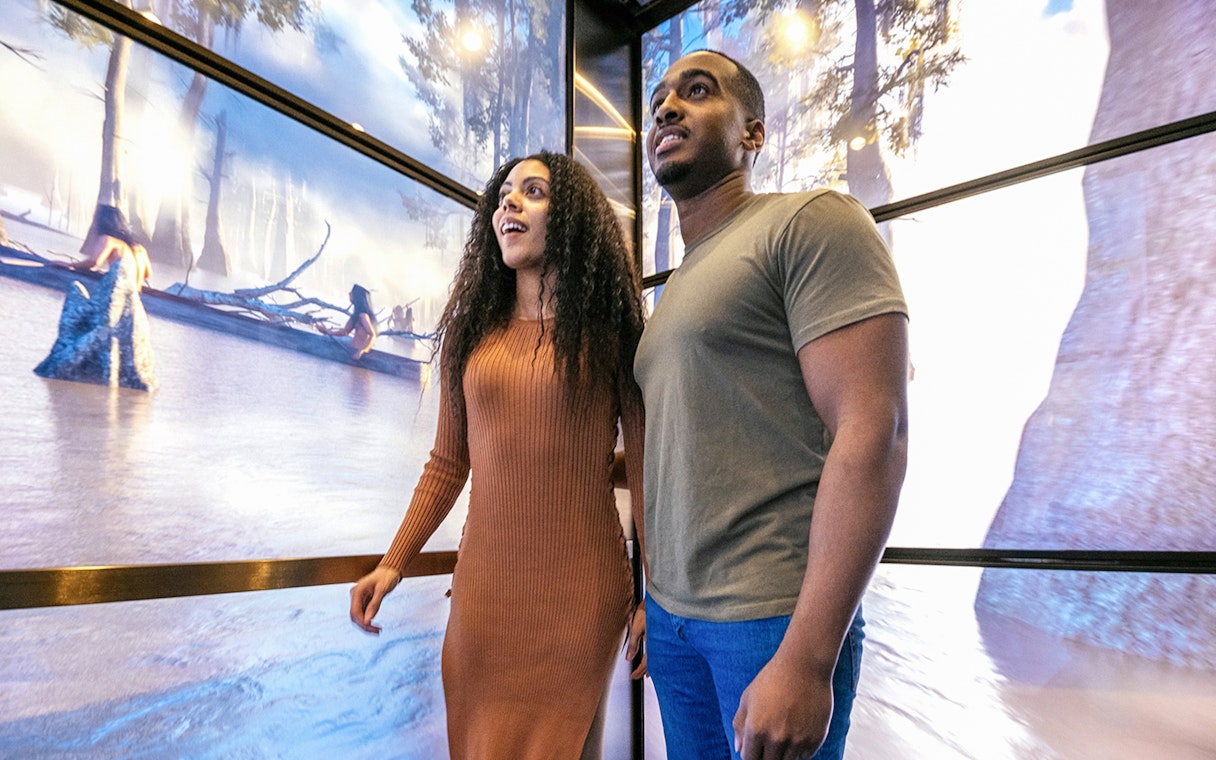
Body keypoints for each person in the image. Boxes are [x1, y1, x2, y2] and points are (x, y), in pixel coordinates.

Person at [634, 50, 910, 760]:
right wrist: (650, 597)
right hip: (673, 624)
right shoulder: (676, 293)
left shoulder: (810, 222)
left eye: (697, 92)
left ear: (752, 134)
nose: (667, 107)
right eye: (659, 97)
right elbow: (686, 450)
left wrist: (809, 658)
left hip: (770, 622)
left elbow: (873, 430)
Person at [348, 150, 647, 759]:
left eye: (533, 192)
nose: (508, 202)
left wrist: (655, 596)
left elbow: (645, 473)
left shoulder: (612, 337)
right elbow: (447, 464)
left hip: (581, 596)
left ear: (570, 220)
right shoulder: (469, 335)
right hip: (483, 597)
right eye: (504, 194)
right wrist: (393, 562)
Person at [317, 283, 378, 360]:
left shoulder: (363, 316)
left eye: (351, 293)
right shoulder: (356, 315)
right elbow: (345, 332)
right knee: (325, 338)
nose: (349, 294)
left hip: (358, 353)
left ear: (357, 296)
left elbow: (372, 335)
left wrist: (360, 352)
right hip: (352, 349)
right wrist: (326, 332)